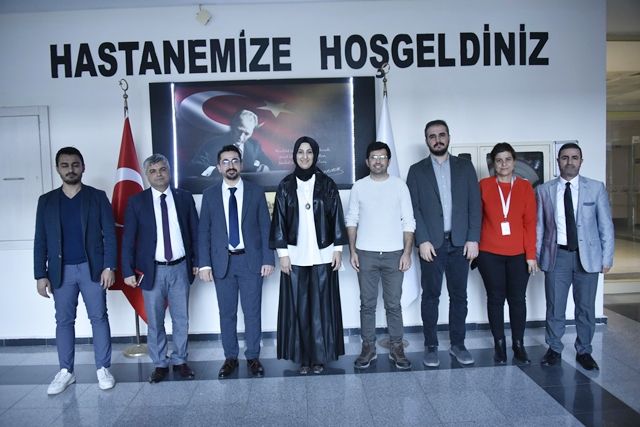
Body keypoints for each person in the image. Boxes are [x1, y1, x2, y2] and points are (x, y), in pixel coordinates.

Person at [34, 146, 117, 395]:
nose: (70, 169)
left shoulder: (97, 197)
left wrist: (109, 266)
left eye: (75, 164)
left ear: (83, 167)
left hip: (93, 270)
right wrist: (40, 274)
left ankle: (103, 368)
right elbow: (40, 240)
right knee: (63, 321)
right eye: (65, 165)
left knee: (99, 318)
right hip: (61, 272)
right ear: (58, 169)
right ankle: (66, 372)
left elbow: (110, 234)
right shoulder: (46, 201)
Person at [269, 136, 348, 375]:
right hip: (294, 257)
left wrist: (338, 249)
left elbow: (336, 216)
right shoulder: (285, 185)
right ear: (295, 155)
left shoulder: (327, 184)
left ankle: (319, 357)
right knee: (298, 309)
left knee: (322, 310)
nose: (305, 156)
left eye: (309, 152)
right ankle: (302, 358)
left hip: (323, 255)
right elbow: (279, 221)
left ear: (315, 155)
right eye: (300, 152)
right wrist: (283, 254)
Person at [406, 119, 481, 367]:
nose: (437, 140)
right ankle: (431, 345)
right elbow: (413, 209)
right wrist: (422, 240)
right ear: (426, 140)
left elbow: (474, 205)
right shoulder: (416, 171)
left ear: (449, 137)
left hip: (460, 243)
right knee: (431, 296)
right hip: (432, 245)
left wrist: (473, 238)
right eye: (432, 136)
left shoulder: (465, 167)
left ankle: (458, 344)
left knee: (459, 296)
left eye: (441, 135)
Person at [198, 145, 275, 378]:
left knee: (252, 312)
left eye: (234, 161)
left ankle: (253, 357)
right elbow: (204, 232)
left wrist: (268, 259)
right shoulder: (210, 195)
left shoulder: (255, 192)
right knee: (227, 313)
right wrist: (204, 264)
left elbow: (265, 227)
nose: (230, 165)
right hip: (223, 264)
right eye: (225, 161)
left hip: (251, 262)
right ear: (218, 167)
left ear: (241, 164)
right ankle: (230, 357)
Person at [122, 153, 199, 383]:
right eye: (153, 171)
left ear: (169, 171)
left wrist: (197, 262)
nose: (159, 174)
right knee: (155, 321)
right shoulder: (137, 202)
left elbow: (195, 232)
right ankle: (160, 364)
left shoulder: (184, 198)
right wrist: (127, 271)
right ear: (147, 174)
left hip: (180, 267)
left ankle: (180, 360)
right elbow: (128, 239)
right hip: (152, 270)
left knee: (181, 318)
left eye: (163, 169)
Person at [536, 143, 614, 371]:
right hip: (556, 256)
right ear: (558, 161)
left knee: (586, 308)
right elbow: (539, 226)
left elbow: (606, 226)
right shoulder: (544, 190)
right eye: (565, 157)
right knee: (555, 306)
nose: (569, 162)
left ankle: (584, 351)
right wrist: (538, 256)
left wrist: (607, 258)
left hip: (588, 257)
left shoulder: (596, 188)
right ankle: (554, 348)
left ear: (581, 161)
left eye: (574, 157)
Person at [346, 141, 415, 370]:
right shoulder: (359, 187)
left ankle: (397, 347)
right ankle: (368, 348)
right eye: (374, 157)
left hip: (395, 254)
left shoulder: (399, 186)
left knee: (393, 304)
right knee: (367, 304)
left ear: (388, 161)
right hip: (366, 254)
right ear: (367, 161)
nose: (378, 161)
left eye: (382, 157)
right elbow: (352, 219)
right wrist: (353, 251)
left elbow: (408, 221)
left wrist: (407, 253)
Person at [476, 143, 538, 365]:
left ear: (514, 162)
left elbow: (530, 223)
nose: (503, 164)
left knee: (517, 300)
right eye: (499, 160)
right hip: (489, 253)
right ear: (493, 163)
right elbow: (476, 219)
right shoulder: (484, 186)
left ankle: (518, 345)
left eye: (508, 159)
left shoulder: (524, 187)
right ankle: (499, 345)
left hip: (518, 254)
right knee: (495, 299)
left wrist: (531, 255)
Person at [189, 109, 274, 176]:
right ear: (233, 126)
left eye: (246, 133)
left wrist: (266, 168)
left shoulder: (254, 146)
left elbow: (271, 166)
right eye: (239, 131)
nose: (241, 137)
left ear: (252, 132)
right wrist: (218, 171)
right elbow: (195, 166)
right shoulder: (213, 144)